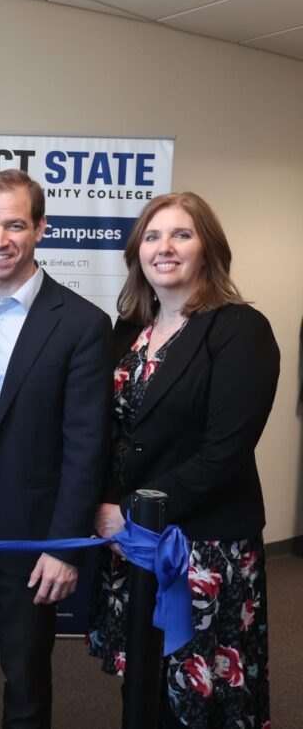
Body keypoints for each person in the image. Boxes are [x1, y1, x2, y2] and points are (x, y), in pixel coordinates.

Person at [88, 192, 278, 727]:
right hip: (133, 547)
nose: (163, 247)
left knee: (199, 697)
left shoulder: (240, 329)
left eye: (181, 235)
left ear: (207, 249)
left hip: (203, 550)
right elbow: (110, 432)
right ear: (137, 252)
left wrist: (130, 512)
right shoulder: (127, 332)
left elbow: (225, 452)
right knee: (143, 688)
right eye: (152, 236)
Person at [0, 169, 112, 729]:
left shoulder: (82, 323)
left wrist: (64, 546)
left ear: (40, 228)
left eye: (15, 224)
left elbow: (87, 446)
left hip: (30, 524)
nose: (0, 238)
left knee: (25, 668)